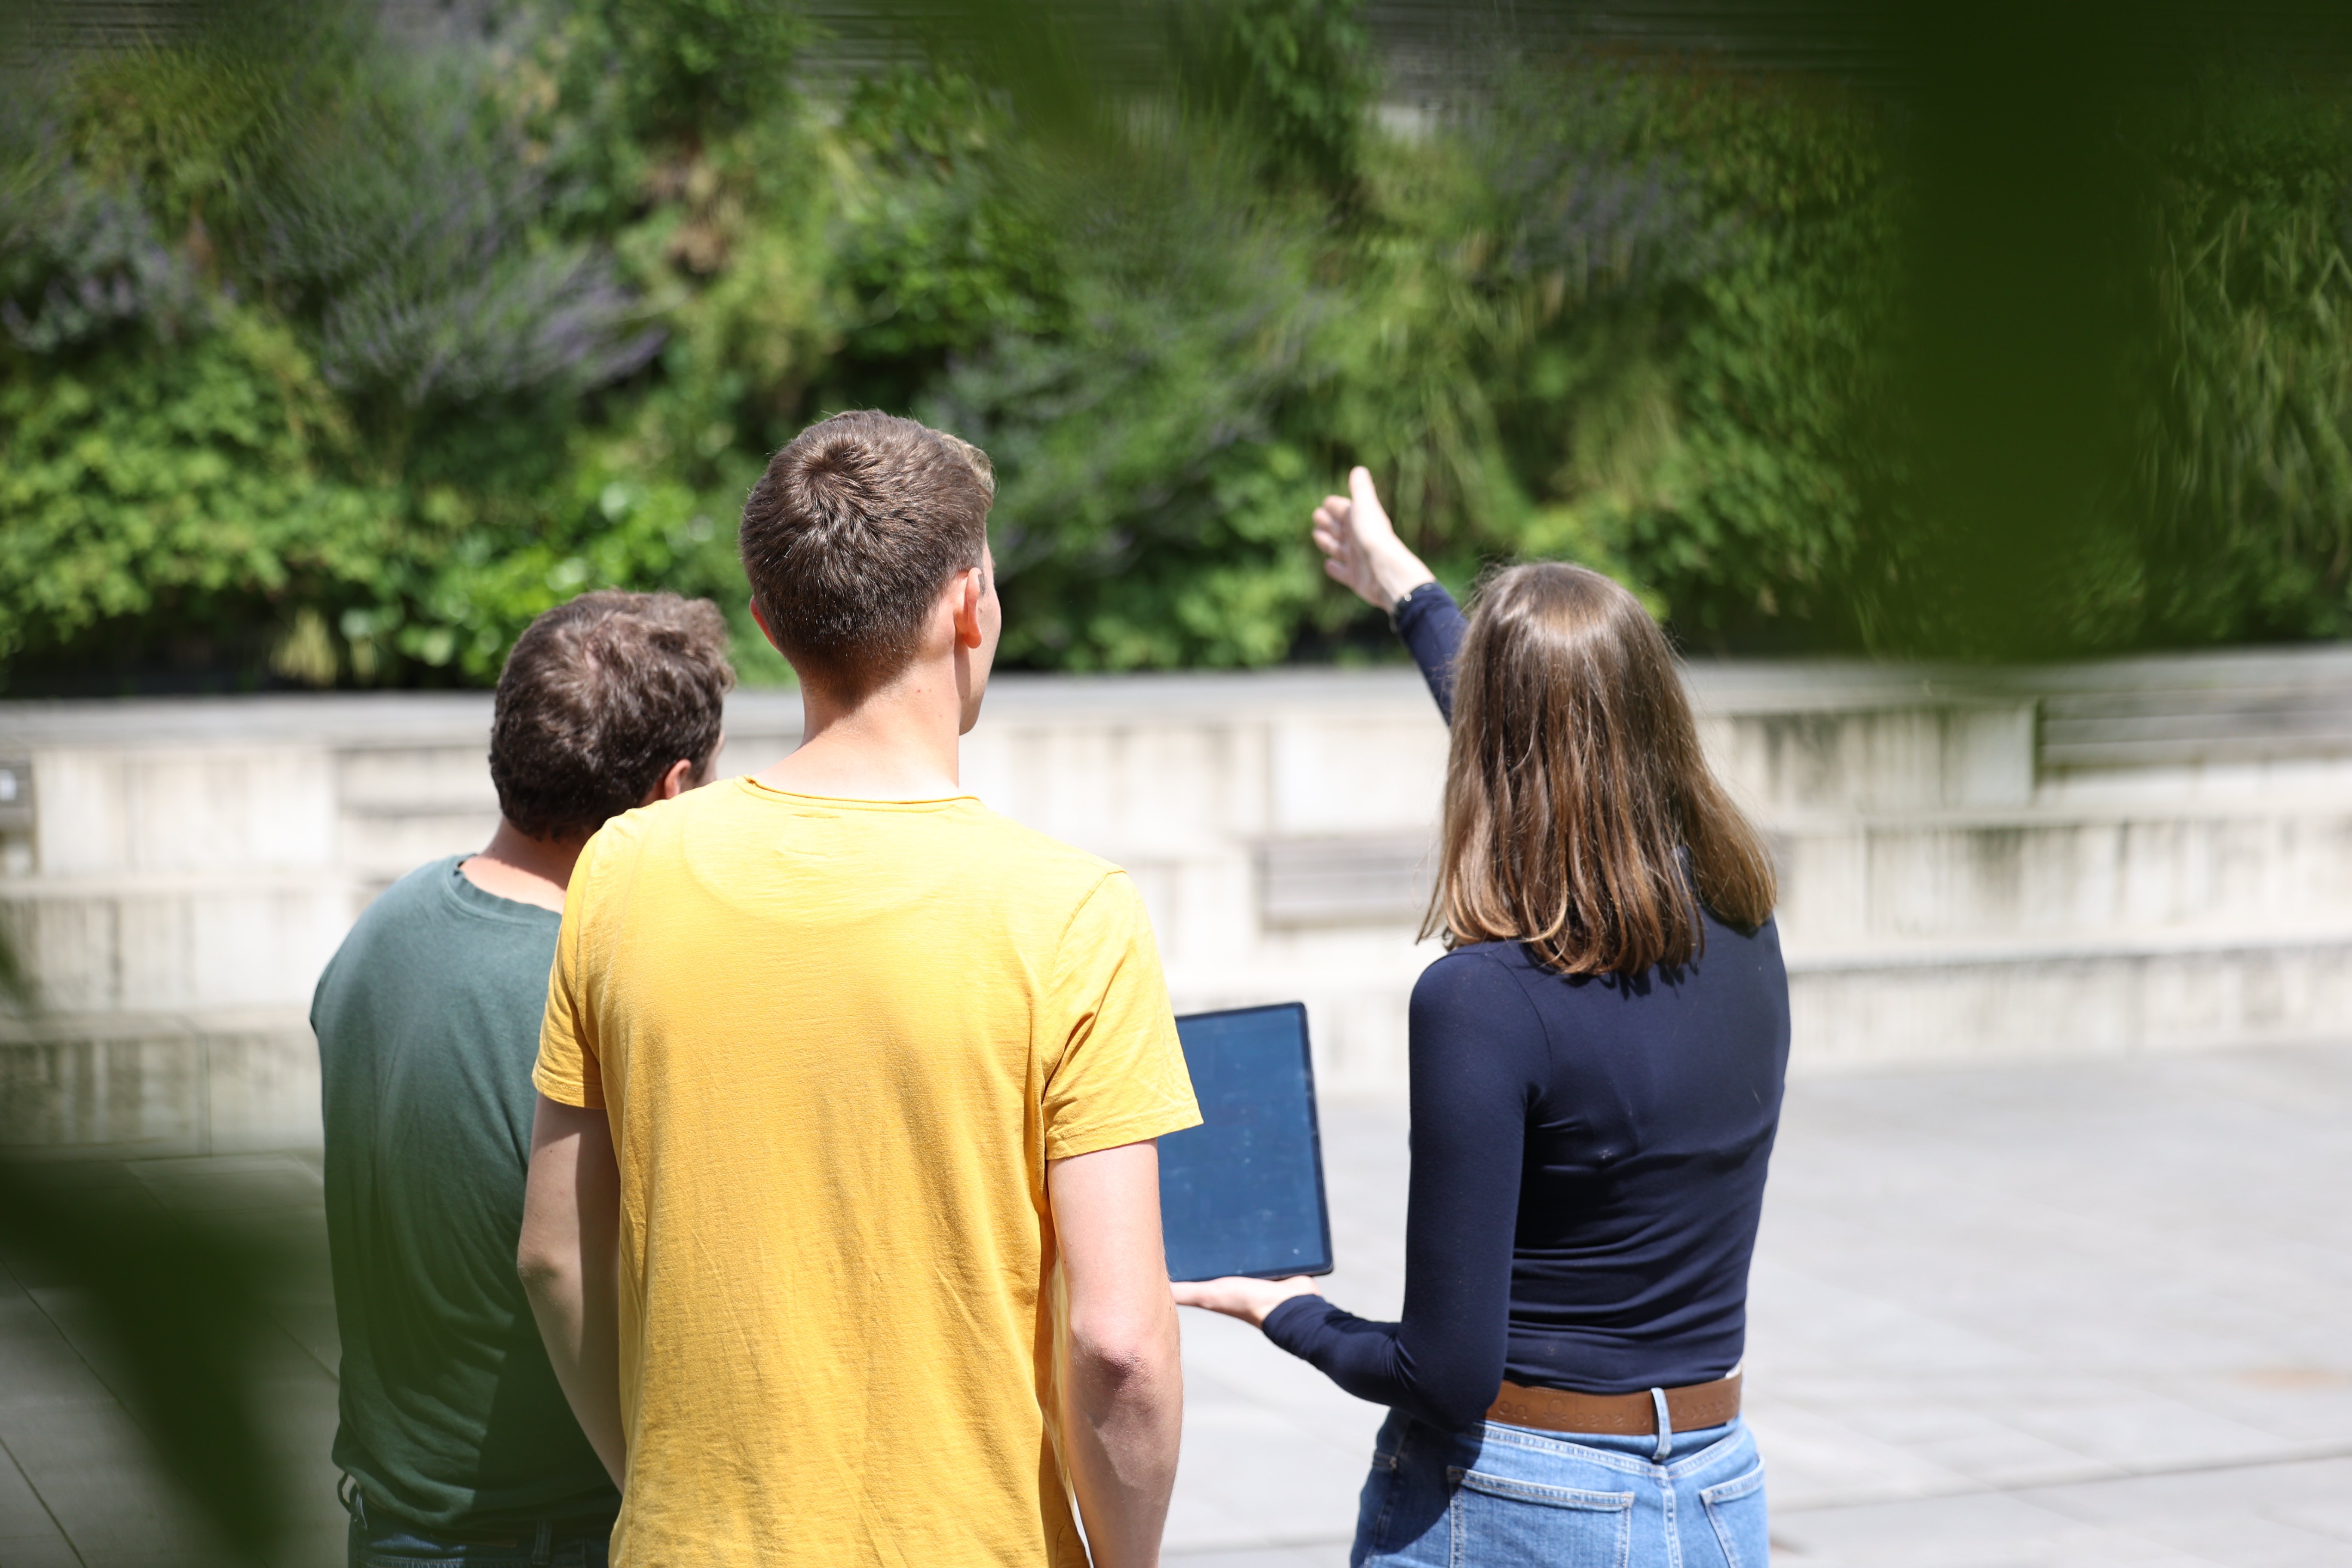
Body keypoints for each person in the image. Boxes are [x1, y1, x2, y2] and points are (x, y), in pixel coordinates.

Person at [518, 410, 1200, 1567]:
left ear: (771, 625)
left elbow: (552, 1256)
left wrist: (668, 1496)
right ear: (970, 604)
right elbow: (1121, 1344)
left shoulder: (626, 868)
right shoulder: (1070, 911)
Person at [1174, 469, 1790, 1568]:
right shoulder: (1744, 921)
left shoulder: (1482, 1002)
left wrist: (1282, 1311)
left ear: (1488, 759)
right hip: (1715, 1493)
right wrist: (1404, 585)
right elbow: (1540, 728)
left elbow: (1444, 1373)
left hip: (1519, 1506)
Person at [313, 591, 736, 1568]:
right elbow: (567, 1263)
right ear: (673, 792)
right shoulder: (589, 989)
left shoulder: (390, 924)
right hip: (552, 1535)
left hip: (393, 1521)